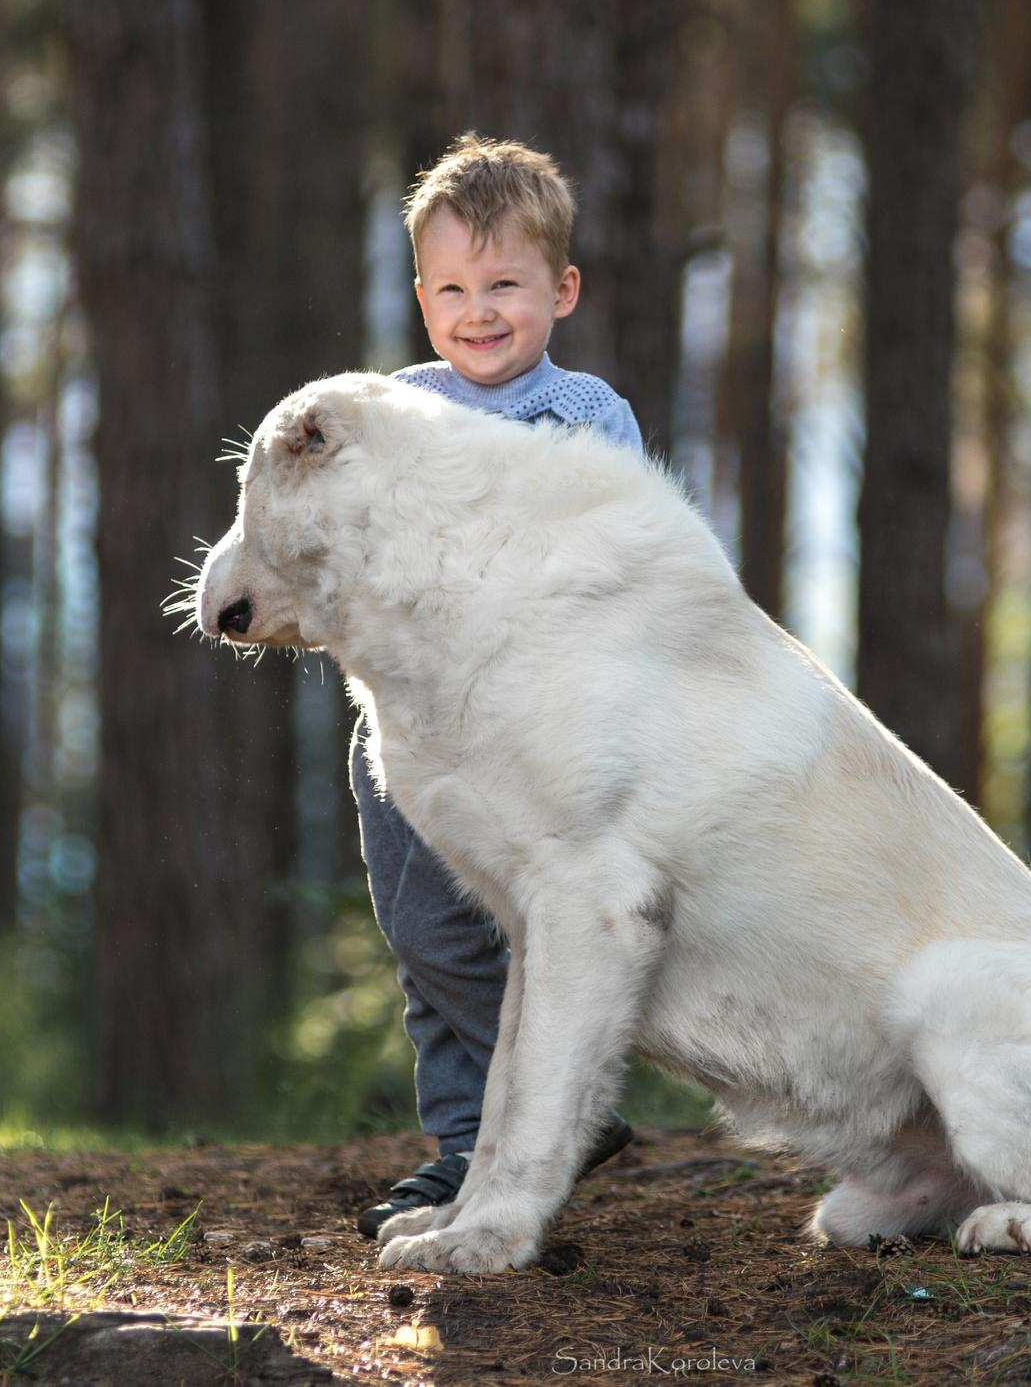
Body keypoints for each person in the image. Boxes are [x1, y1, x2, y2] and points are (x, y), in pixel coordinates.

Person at [353, 134, 642, 1240]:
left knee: (542, 924)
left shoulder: (585, 414)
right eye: (452, 289)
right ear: (422, 298)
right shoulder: (394, 410)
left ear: (560, 290)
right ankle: (481, 1133)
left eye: (505, 286)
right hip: (412, 722)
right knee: (427, 935)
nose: (479, 312)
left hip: (541, 727)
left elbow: (632, 549)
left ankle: (517, 1132)